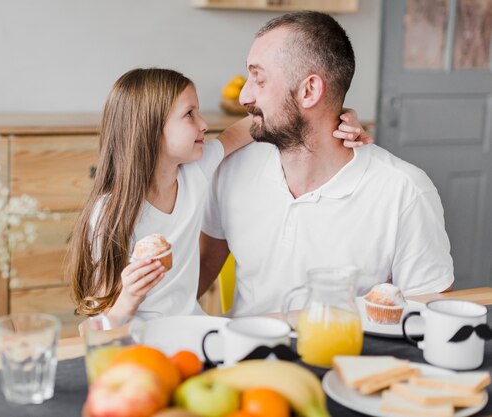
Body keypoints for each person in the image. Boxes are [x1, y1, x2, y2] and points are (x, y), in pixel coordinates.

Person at [199, 12, 454, 317]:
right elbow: (194, 277)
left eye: (260, 79)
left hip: (344, 360)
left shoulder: (405, 191)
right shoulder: (230, 168)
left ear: (309, 91)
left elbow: (428, 317)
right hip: (245, 354)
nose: (244, 95)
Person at [67, 67, 368, 318]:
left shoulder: (195, 172)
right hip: (136, 342)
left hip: (192, 329)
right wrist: (130, 297)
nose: (204, 124)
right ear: (150, 129)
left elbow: (246, 128)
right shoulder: (110, 214)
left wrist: (337, 114)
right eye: (189, 114)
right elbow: (102, 319)